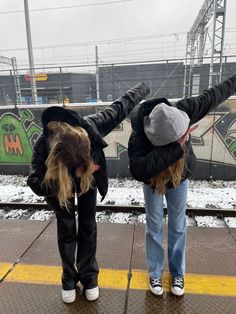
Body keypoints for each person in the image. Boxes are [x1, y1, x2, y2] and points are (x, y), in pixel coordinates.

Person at [27, 82, 150, 303]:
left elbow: (120, 107)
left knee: (87, 225)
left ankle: (89, 277)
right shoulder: (44, 142)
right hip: (59, 185)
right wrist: (59, 180)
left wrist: (143, 88)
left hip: (88, 180)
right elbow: (34, 181)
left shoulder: (91, 127)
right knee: (66, 229)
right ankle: (68, 279)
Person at [128, 74, 236, 296]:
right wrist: (177, 147)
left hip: (179, 180)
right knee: (154, 226)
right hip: (153, 182)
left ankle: (177, 273)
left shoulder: (183, 110)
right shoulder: (139, 136)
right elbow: (139, 170)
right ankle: (155, 273)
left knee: (178, 225)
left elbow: (214, 94)